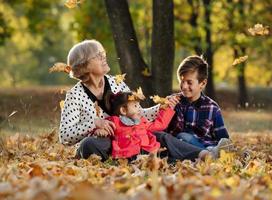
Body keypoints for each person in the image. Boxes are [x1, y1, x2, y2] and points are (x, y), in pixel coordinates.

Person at [58, 39, 220, 162]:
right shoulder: (75, 95)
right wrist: (95, 123)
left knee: (159, 136)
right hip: (106, 145)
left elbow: (139, 114)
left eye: (103, 54)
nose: (104, 57)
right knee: (89, 144)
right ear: (84, 65)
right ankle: (147, 157)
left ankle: (204, 154)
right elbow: (64, 136)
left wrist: (161, 107)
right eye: (98, 56)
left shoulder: (117, 83)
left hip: (130, 138)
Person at [167, 55, 233, 157]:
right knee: (182, 136)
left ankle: (212, 153)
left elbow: (223, 138)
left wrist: (226, 148)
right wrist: (167, 109)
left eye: (189, 82)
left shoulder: (212, 108)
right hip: (179, 148)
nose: (184, 87)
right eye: (182, 81)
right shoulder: (173, 102)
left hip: (204, 146)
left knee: (186, 137)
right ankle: (210, 154)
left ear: (202, 83)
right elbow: (163, 130)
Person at [100, 91, 175, 159]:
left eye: (138, 106)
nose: (139, 109)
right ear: (123, 110)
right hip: (128, 155)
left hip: (147, 151)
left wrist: (167, 108)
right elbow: (106, 129)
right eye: (135, 106)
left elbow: (159, 125)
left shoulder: (141, 122)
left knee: (164, 154)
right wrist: (101, 131)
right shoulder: (115, 122)